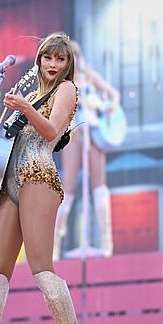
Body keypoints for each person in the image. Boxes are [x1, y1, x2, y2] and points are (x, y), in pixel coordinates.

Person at [0, 32, 87, 324]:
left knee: (40, 266)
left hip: (39, 176)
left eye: (60, 59)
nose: (53, 64)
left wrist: (25, 107)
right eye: (49, 57)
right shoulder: (31, 94)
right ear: (40, 59)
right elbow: (6, 134)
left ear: (68, 64)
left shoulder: (67, 90)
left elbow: (51, 132)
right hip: (9, 181)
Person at [53, 41, 121, 258]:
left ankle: (107, 244)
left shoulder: (89, 75)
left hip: (94, 131)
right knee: (68, 190)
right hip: (74, 133)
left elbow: (113, 94)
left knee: (100, 188)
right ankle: (53, 247)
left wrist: (108, 107)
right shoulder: (61, 83)